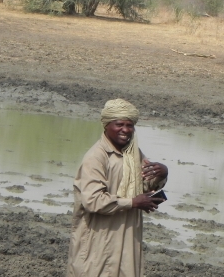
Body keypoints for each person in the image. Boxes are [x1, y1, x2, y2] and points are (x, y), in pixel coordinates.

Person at [67, 99, 168, 277]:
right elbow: (92, 201)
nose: (126, 130)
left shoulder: (133, 154)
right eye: (119, 124)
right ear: (106, 125)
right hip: (98, 240)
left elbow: (144, 185)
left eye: (130, 125)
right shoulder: (96, 157)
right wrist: (132, 202)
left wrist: (161, 174)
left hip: (127, 237)